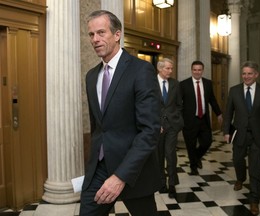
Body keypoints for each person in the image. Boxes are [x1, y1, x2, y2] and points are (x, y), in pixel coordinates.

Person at [80, 10, 161, 216]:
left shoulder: (141, 70)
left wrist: (120, 176)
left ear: (117, 35)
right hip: (99, 168)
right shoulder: (91, 77)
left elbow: (150, 130)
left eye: (101, 32)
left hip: (133, 170)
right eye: (91, 34)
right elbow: (99, 127)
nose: (95, 39)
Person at [223, 61, 260, 216]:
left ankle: (254, 200)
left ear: (256, 74)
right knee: (237, 160)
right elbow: (228, 113)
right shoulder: (234, 91)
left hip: (258, 136)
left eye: (249, 73)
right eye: (244, 73)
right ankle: (240, 178)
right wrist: (226, 131)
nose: (246, 76)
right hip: (239, 135)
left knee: (256, 168)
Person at [180, 60, 223, 175]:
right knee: (191, 145)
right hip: (189, 121)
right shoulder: (184, 84)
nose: (197, 72)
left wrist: (218, 113)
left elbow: (212, 100)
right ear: (191, 70)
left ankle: (196, 157)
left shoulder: (208, 83)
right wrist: (179, 119)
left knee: (207, 142)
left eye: (199, 70)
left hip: (203, 119)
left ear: (202, 71)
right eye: (195, 70)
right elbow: (179, 103)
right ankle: (193, 166)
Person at [156, 58, 183, 198]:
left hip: (172, 125)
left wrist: (176, 120)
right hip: (157, 126)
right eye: (168, 68)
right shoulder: (151, 83)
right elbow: (148, 106)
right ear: (160, 69)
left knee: (170, 154)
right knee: (159, 155)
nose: (170, 71)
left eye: (171, 68)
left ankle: (172, 183)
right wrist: (156, 124)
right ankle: (161, 183)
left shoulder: (175, 84)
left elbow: (179, 104)